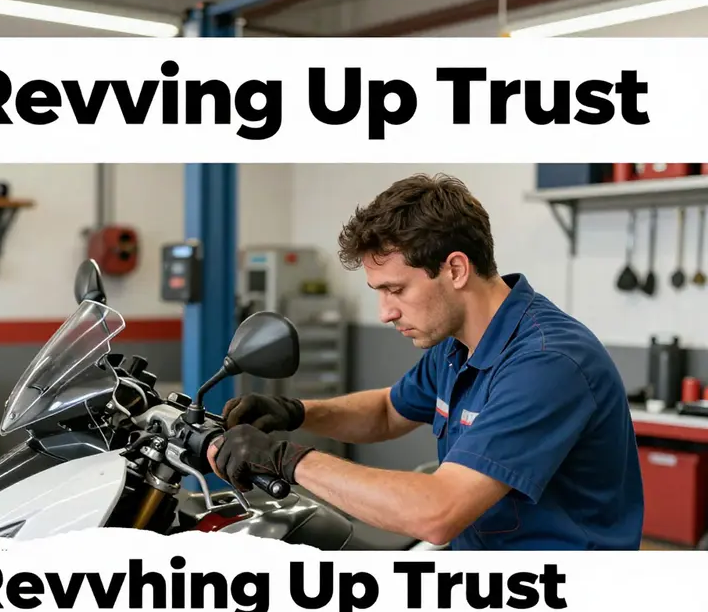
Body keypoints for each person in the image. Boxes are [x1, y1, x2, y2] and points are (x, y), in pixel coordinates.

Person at [207, 173, 644, 550]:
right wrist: (296, 412)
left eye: (396, 290)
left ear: (455, 269)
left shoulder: (547, 363)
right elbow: (385, 412)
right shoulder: (455, 346)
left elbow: (437, 512)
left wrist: (288, 460)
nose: (385, 312)